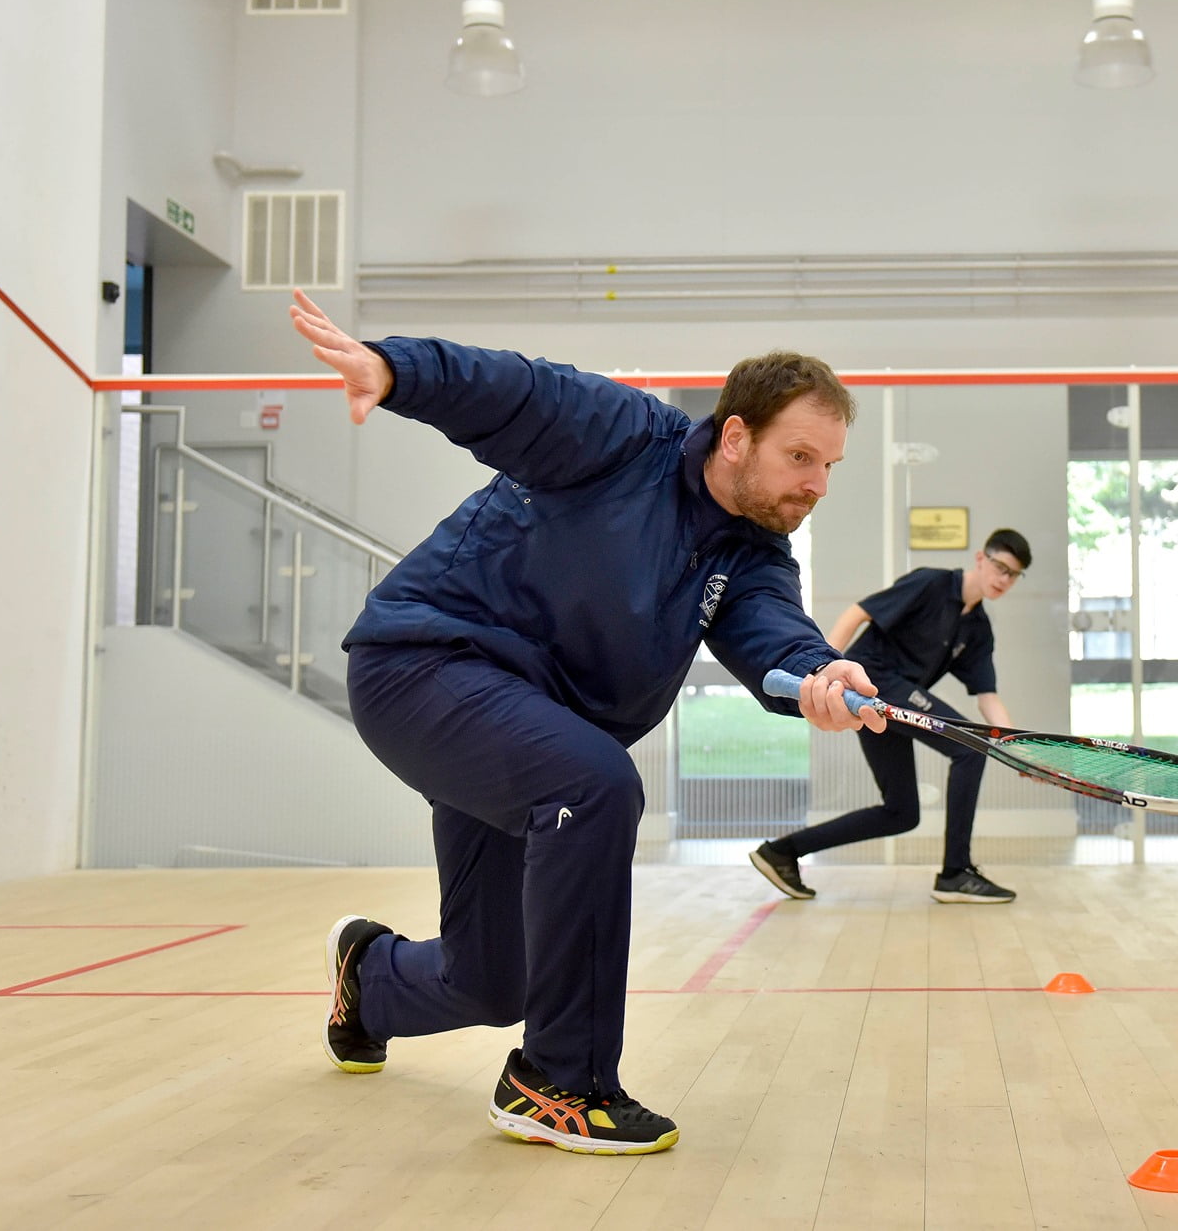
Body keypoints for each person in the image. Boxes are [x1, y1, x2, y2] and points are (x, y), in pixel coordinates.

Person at [289, 290, 884, 1154]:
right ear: (734, 436)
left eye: (829, 465)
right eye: (801, 456)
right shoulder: (622, 435)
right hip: (424, 665)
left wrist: (819, 673)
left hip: (525, 725)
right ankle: (559, 1082)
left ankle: (370, 980)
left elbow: (772, 635)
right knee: (595, 782)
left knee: (495, 981)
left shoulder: (751, 549)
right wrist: (395, 369)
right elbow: (517, 392)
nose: (816, 484)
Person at [749, 529, 1032, 904]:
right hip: (872, 683)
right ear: (981, 558)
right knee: (970, 748)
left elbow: (988, 697)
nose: (1003, 579)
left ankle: (782, 851)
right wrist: (826, 666)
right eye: (1000, 567)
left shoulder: (977, 629)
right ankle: (955, 873)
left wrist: (1021, 749)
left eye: (1013, 575)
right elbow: (858, 612)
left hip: (890, 707)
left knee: (901, 813)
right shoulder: (931, 583)